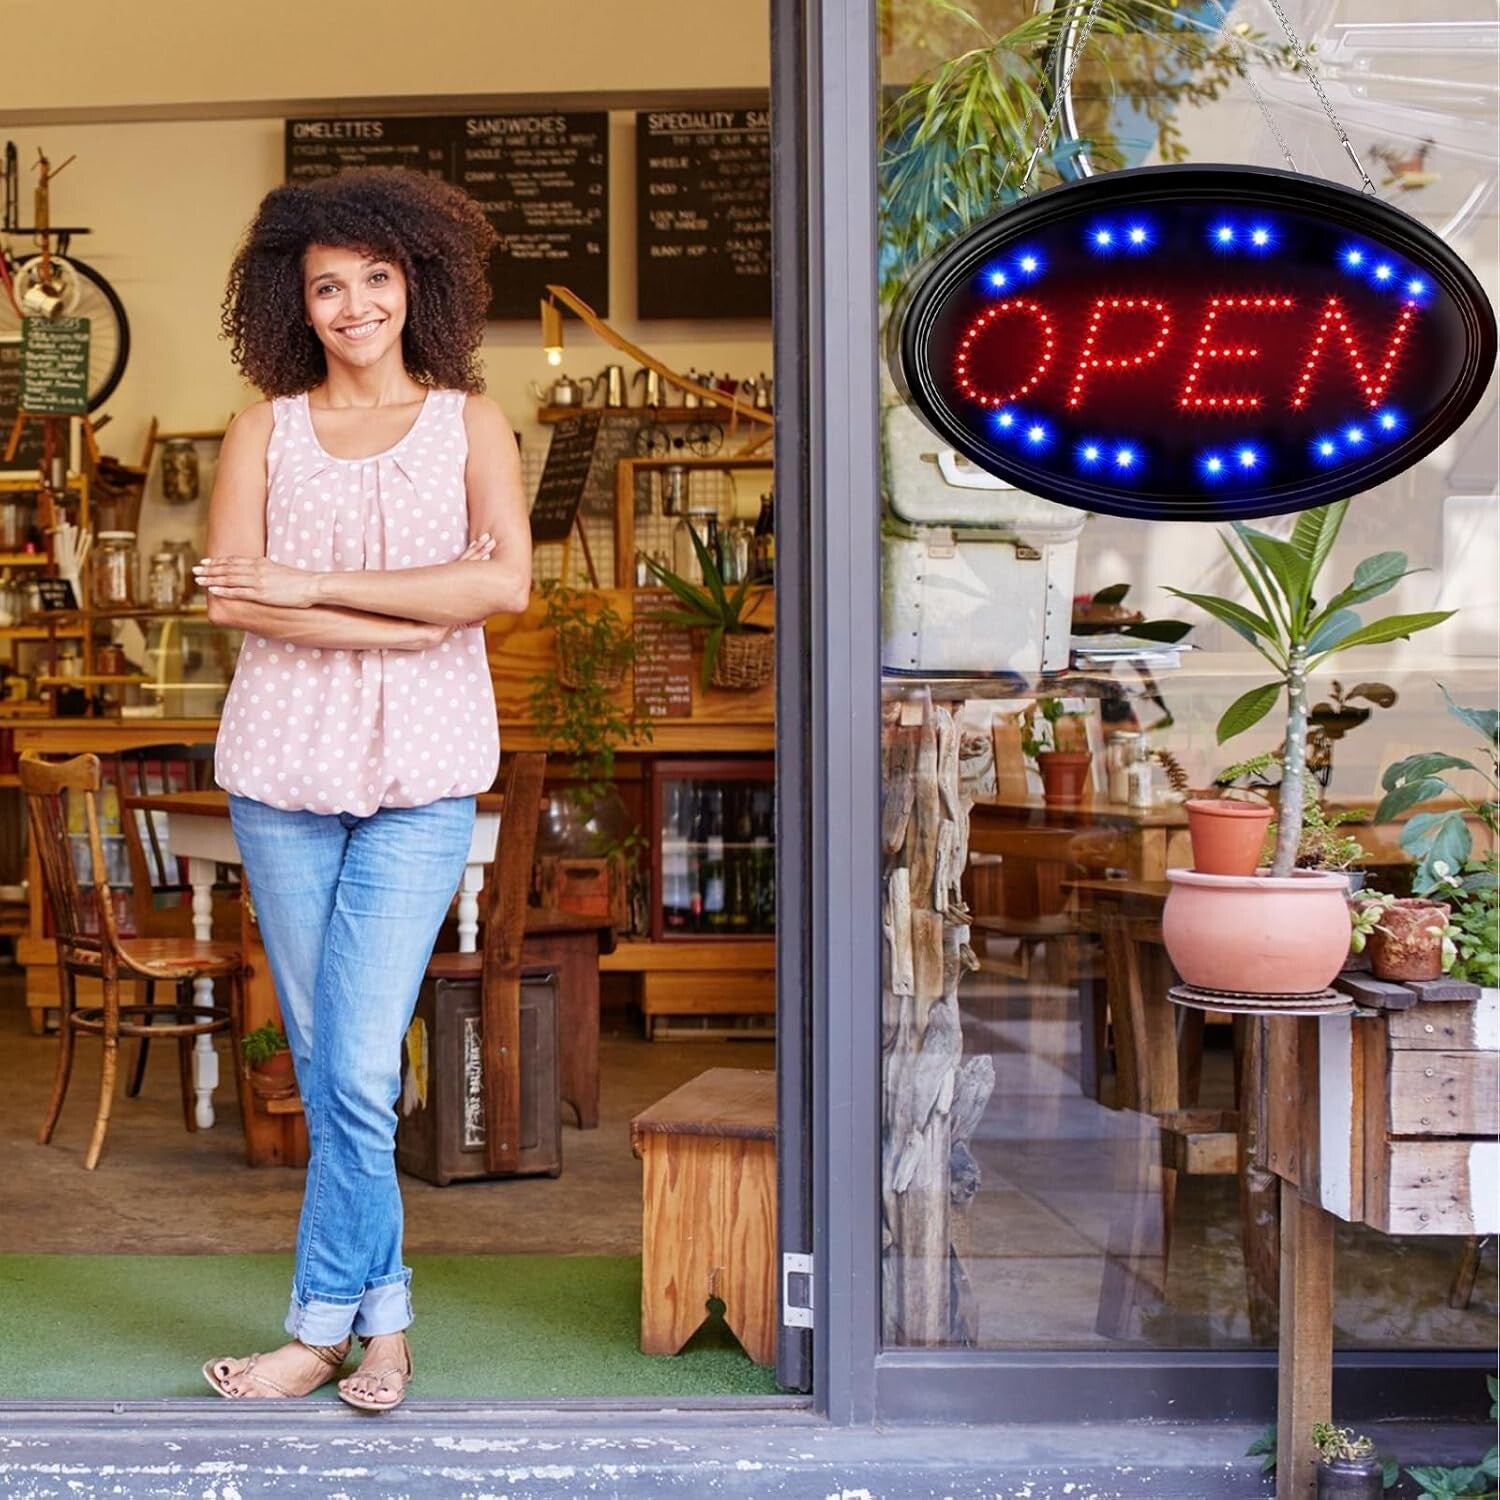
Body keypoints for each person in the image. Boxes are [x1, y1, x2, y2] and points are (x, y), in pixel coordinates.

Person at [197, 169, 531, 1411]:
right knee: (345, 1066)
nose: (353, 305)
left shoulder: (470, 423)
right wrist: (404, 612)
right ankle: (382, 1330)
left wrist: (312, 594)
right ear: (294, 302)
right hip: (281, 780)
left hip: (421, 784)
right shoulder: (262, 429)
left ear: (418, 286)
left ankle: (313, 1330)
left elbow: (502, 591)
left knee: (347, 1066)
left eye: (377, 280)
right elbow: (234, 592)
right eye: (328, 285)